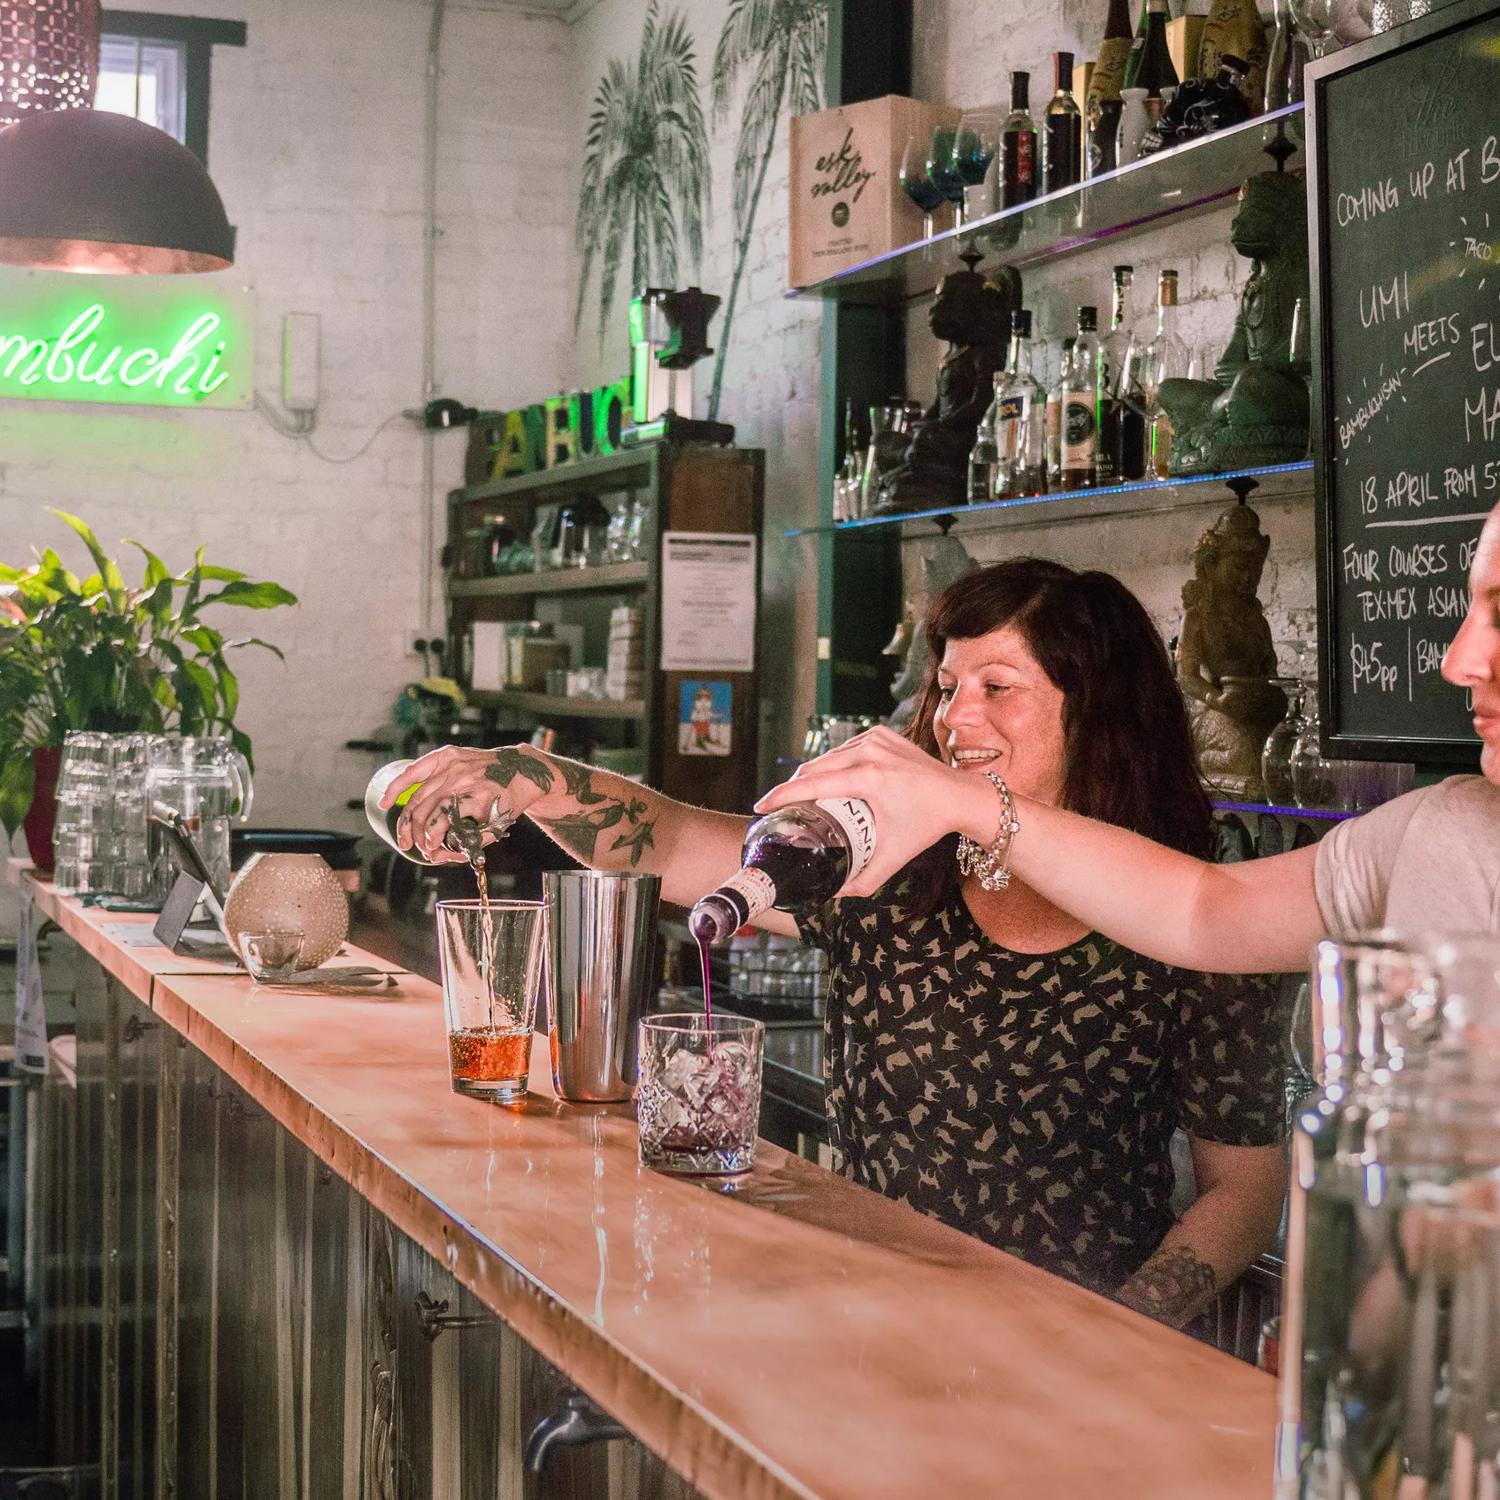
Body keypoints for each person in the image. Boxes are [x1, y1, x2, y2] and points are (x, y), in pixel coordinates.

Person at [384, 559, 1287, 1330]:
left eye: (997, 688)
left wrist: (1123, 1329)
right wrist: (526, 776)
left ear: (1099, 712)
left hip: (1072, 1337)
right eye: (946, 685)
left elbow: (1243, 1188)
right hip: (867, 1318)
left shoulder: (1178, 907)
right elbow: (672, 841)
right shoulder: (895, 871)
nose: (952, 718)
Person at [756, 503, 1500, 975]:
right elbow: (1204, 912)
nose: (1457, 661)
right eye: (948, 687)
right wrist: (967, 805)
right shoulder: (1454, 827)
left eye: (1498, 612)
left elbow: (1242, 1188)